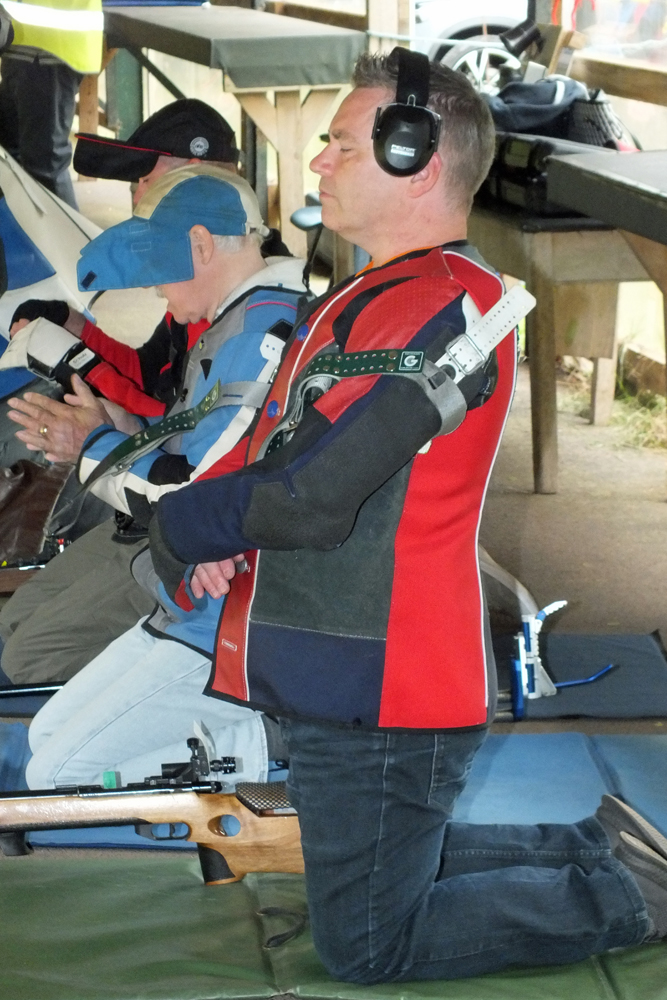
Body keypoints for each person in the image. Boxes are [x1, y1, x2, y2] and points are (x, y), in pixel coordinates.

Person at [145, 49, 667, 981]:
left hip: (386, 686)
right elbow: (290, 456)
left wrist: (188, 525)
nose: (317, 163)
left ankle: (626, 894)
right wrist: (228, 535)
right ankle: (601, 847)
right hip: (351, 665)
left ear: (413, 155)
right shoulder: (381, 293)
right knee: (378, 867)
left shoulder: (438, 311)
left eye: (341, 145)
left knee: (369, 947)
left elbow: (312, 495)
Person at [19, 163, 304, 788]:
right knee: (43, 739)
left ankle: (276, 747)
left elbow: (190, 496)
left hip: (226, 618)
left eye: (159, 265)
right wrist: (114, 427)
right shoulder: (237, 323)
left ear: (201, 245)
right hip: (186, 598)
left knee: (57, 776)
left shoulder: (263, 333)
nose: (155, 290)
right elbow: (194, 455)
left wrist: (90, 443)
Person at [0, 99, 292, 684]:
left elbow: (187, 452)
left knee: (27, 658)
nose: (137, 195)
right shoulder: (212, 287)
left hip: (179, 535)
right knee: (15, 630)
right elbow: (163, 395)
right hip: (148, 512)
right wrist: (77, 342)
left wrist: (88, 427)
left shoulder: (251, 315)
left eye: (148, 178)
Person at [0, 0, 103, 208]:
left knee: (45, 164)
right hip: (26, 43)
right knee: (11, 156)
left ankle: (68, 240)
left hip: (46, 46)